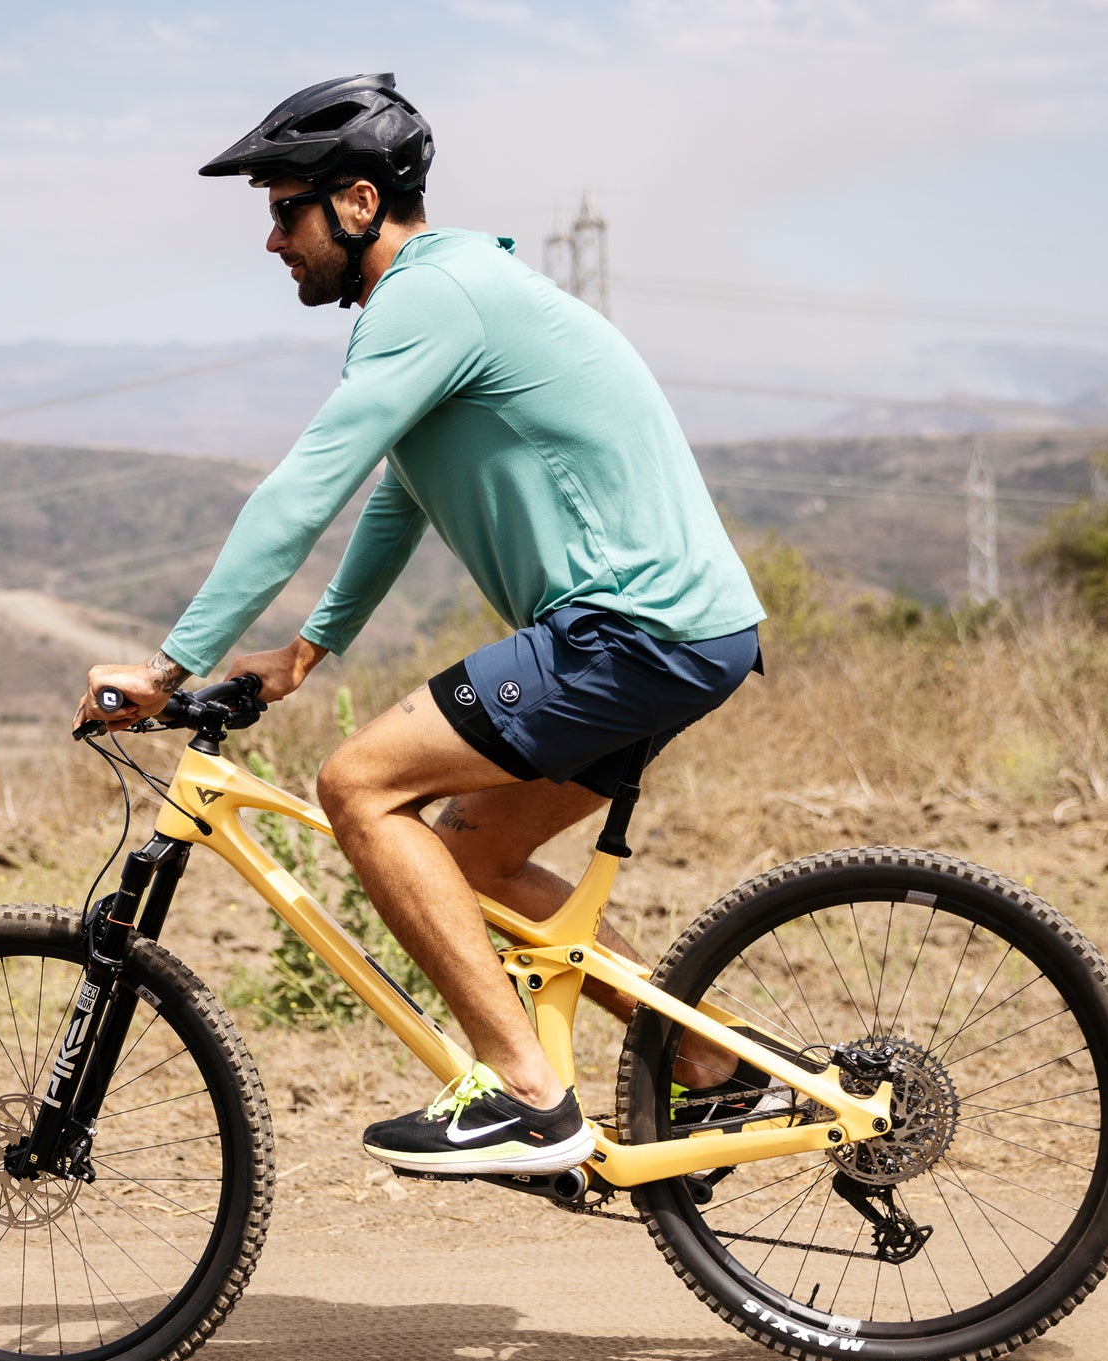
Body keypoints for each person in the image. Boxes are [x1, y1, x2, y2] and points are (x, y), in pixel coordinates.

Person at [74, 73, 767, 1179]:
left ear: (358, 203)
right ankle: (710, 1061)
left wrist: (170, 665)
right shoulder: (453, 293)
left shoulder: (427, 300)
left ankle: (526, 1095)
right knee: (470, 858)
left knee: (357, 787)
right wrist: (306, 650)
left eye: (284, 211)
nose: (270, 240)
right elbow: (400, 494)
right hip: (678, 630)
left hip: (629, 629)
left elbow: (305, 490)